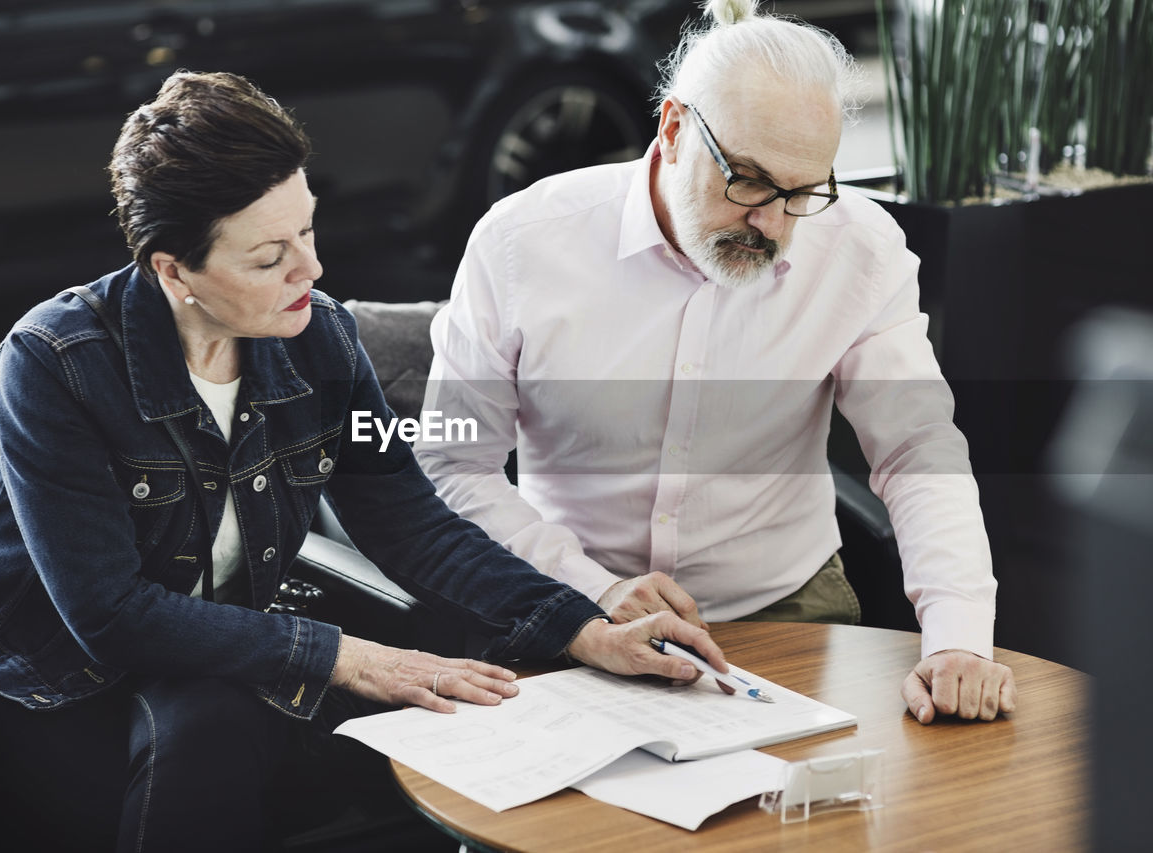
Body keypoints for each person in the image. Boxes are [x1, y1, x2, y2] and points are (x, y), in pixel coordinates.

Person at [0, 70, 728, 852]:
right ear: (173, 270)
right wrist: (345, 656)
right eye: (269, 258)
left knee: (406, 698)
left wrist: (582, 626)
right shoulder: (54, 362)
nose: (313, 269)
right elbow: (109, 613)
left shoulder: (323, 341)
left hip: (213, 641)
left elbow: (412, 521)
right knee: (222, 728)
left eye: (307, 228)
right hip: (33, 663)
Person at [416, 0, 1017, 726]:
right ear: (672, 129)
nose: (770, 223)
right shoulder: (522, 244)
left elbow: (918, 447)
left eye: (801, 193)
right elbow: (456, 465)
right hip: (565, 603)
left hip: (787, 606)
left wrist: (959, 638)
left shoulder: (859, 250)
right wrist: (593, 587)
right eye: (750, 182)